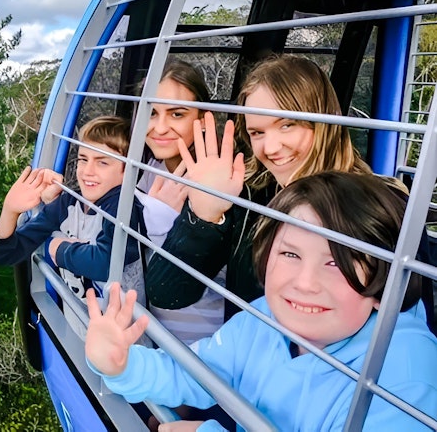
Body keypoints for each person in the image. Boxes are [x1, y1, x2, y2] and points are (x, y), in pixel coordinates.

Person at [86, 171, 437, 431]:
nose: (305, 283)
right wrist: (122, 364)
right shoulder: (263, 318)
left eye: (335, 262)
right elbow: (199, 373)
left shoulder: (405, 374)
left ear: (384, 280)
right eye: (289, 254)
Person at [145, 54, 374, 318]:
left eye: (287, 125)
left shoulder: (376, 203)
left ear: (323, 119)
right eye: (257, 133)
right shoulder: (247, 194)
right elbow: (165, 293)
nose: (271, 148)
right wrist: (203, 216)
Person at [0, 115, 144, 304]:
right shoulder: (69, 204)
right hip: (79, 324)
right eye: (83, 159)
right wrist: (10, 210)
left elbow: (106, 264)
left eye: (102, 162)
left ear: (127, 170)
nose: (88, 171)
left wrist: (59, 249)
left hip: (121, 330)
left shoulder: (124, 207)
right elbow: (7, 254)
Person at [136, 59, 227, 345]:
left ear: (202, 119)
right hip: (152, 333)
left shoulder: (217, 181)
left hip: (202, 343)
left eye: (176, 114)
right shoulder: (151, 168)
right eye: (151, 113)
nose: (159, 128)